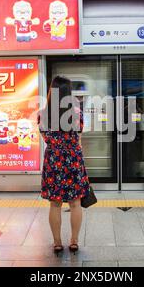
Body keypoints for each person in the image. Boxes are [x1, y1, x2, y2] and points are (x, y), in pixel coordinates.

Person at [38, 76, 90, 254]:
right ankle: (74, 241)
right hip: (73, 160)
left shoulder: (43, 114)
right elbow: (79, 138)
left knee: (55, 204)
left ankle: (57, 243)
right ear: (69, 92)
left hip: (53, 161)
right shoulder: (77, 113)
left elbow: (46, 139)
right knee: (75, 203)